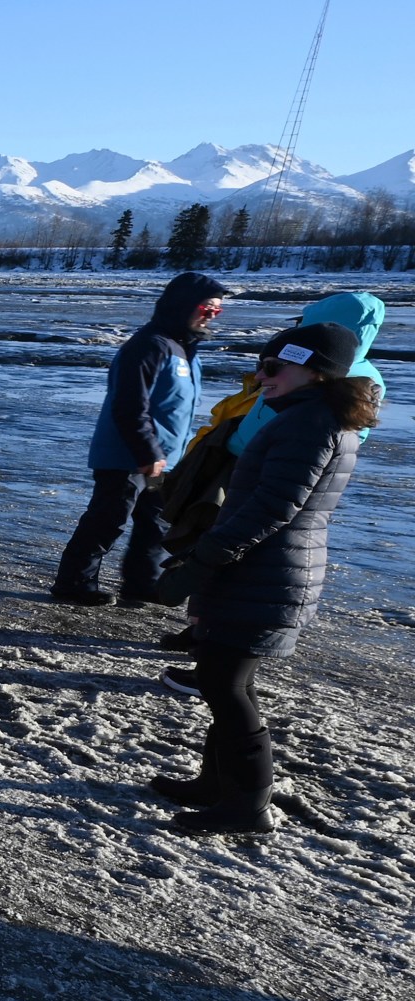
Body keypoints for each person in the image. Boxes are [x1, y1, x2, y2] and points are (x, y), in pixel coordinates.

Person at [146, 322, 375, 835]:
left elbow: (272, 508)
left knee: (224, 684)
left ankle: (247, 805)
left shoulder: (311, 423)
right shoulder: (311, 415)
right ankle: (219, 783)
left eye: (274, 367)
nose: (261, 376)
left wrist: (202, 561)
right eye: (260, 366)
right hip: (261, 571)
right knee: (225, 679)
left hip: (267, 574)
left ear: (316, 371)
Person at [155, 290, 387, 651]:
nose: (264, 376)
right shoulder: (346, 375)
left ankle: (212, 641)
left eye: (272, 369)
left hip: (262, 469)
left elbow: (270, 450)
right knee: (231, 549)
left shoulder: (315, 389)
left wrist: (242, 448)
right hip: (278, 472)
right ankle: (210, 637)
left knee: (229, 547)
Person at [51, 270, 231, 606]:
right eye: (207, 308)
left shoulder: (185, 350)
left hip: (165, 456)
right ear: (182, 306)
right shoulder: (149, 345)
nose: (211, 316)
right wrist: (147, 450)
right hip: (127, 454)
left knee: (155, 523)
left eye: (217, 311)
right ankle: (73, 583)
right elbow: (129, 403)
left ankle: (141, 583)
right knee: (108, 519)